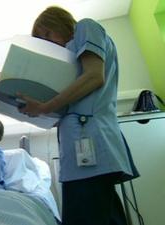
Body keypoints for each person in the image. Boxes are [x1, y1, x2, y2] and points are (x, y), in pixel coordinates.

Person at [16, 6, 139, 225]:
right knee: (107, 216)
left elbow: (94, 77)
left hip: (91, 144)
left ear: (60, 22)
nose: (48, 42)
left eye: (47, 33)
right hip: (80, 151)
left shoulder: (85, 26)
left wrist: (45, 107)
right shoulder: (68, 62)